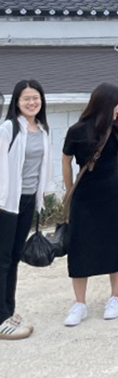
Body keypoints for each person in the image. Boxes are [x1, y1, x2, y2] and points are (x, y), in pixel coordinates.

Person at [62, 83, 118, 327]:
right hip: (84, 196)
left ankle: (115, 297)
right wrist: (70, 190)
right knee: (80, 246)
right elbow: (66, 161)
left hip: (112, 195)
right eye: (117, 103)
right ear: (106, 103)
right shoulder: (76, 130)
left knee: (116, 243)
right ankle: (79, 303)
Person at [0, 80, 51, 340]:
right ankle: (1, 318)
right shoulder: (9, 129)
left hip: (28, 200)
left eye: (36, 98)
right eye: (26, 99)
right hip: (6, 203)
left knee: (14, 257)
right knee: (3, 259)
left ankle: (8, 311)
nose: (32, 103)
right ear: (17, 102)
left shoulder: (41, 130)